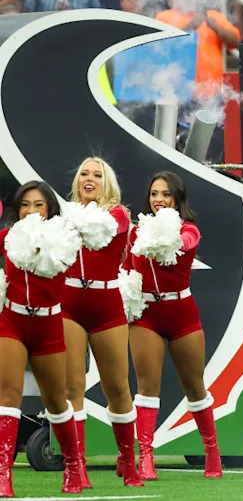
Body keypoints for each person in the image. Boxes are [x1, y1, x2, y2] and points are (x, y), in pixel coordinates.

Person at [125, 171, 221, 480]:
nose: (159, 200)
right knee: (146, 386)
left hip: (181, 313)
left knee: (194, 386)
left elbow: (185, 242)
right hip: (146, 313)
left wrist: (172, 233)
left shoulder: (187, 229)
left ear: (176, 199)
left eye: (165, 194)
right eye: (154, 194)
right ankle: (147, 458)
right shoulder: (135, 233)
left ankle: (212, 453)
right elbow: (127, 269)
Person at [62, 158, 142, 488]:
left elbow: (99, 232)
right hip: (68, 305)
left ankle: (126, 458)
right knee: (72, 388)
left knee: (118, 388)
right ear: (77, 180)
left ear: (107, 182)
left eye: (97, 174)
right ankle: (76, 466)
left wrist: (62, 220)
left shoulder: (119, 215)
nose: (89, 178)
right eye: (84, 173)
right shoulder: (64, 213)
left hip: (106, 304)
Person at [0, 181, 84, 496]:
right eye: (25, 204)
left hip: (49, 327)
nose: (31, 210)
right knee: (7, 396)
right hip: (12, 322)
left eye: (38, 204)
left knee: (56, 402)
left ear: (49, 209)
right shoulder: (8, 238)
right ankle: (3, 474)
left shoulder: (64, 241)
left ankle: (74, 466)